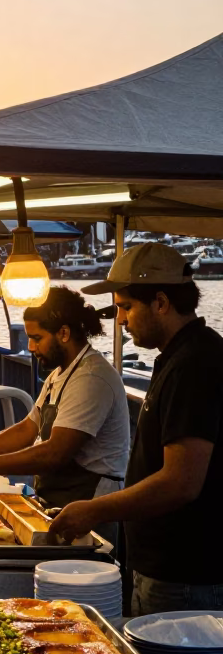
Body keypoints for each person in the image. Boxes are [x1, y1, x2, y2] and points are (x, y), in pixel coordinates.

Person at [48, 243, 223, 614]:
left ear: (160, 302)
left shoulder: (196, 365)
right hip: (160, 564)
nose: (120, 320)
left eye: (126, 306)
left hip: (186, 572)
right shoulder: (177, 358)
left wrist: (96, 509)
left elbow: (181, 481)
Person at [0, 287, 130, 512]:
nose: (30, 347)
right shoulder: (60, 373)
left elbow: (54, 453)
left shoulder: (91, 378)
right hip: (58, 501)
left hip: (91, 507)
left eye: (37, 338)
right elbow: (27, 430)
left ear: (64, 334)